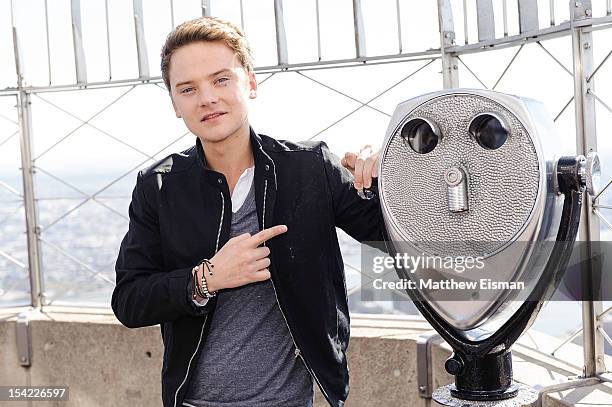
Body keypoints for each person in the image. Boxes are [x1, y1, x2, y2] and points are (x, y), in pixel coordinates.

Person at [111, 16, 383, 407]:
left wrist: (387, 180)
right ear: (174, 103)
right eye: (188, 89)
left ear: (250, 83)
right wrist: (207, 279)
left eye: (221, 79)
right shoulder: (159, 186)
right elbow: (130, 300)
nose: (207, 98)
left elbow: (393, 237)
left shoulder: (309, 168)